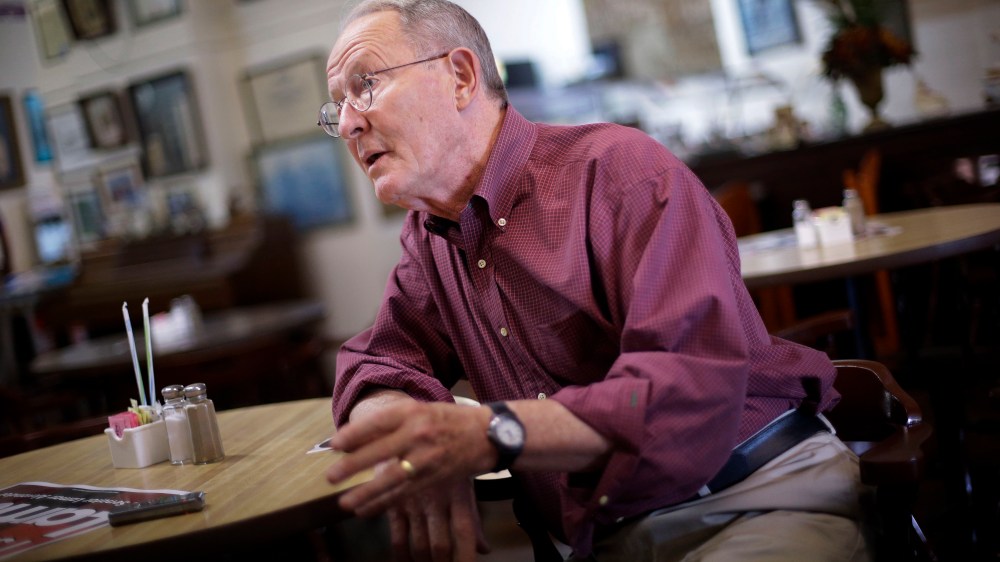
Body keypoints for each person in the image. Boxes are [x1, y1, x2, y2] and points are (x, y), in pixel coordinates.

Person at [321, 1, 868, 561]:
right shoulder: (430, 236)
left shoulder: (620, 173)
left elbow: (685, 387)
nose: (347, 123)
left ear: (460, 78)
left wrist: (491, 432)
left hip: (753, 495)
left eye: (365, 85)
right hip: (599, 539)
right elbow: (378, 361)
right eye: (335, 105)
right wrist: (406, 443)